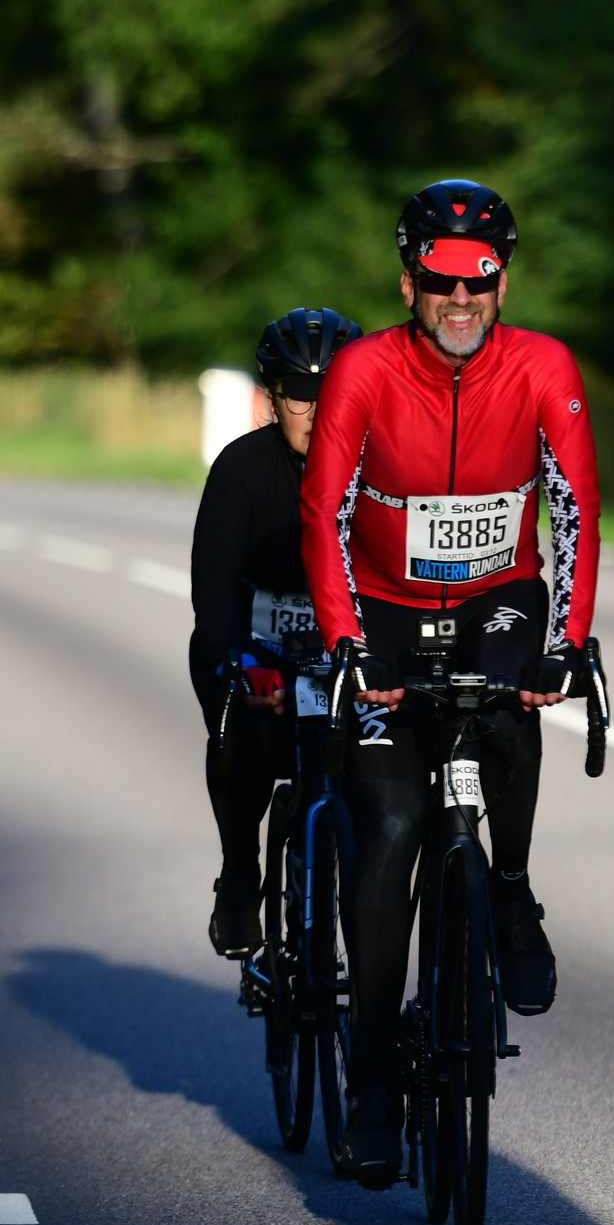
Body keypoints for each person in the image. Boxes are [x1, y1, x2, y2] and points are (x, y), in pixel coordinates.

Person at [300, 179, 601, 1186]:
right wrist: (348, 642)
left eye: (478, 281)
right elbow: (325, 512)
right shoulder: (364, 370)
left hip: (497, 596)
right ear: (408, 285)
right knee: (388, 833)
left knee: (512, 705)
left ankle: (508, 890)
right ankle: (373, 1083)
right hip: (383, 605)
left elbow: (574, 506)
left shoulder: (543, 366)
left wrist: (566, 643)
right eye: (440, 283)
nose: (460, 300)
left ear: (502, 282)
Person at [191, 308, 362, 959]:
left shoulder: (380, 467)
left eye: (333, 391)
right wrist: (234, 658)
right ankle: (240, 874)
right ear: (271, 397)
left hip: (345, 653)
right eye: (300, 394)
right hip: (256, 647)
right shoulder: (241, 468)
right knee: (245, 734)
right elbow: (212, 589)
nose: (317, 410)